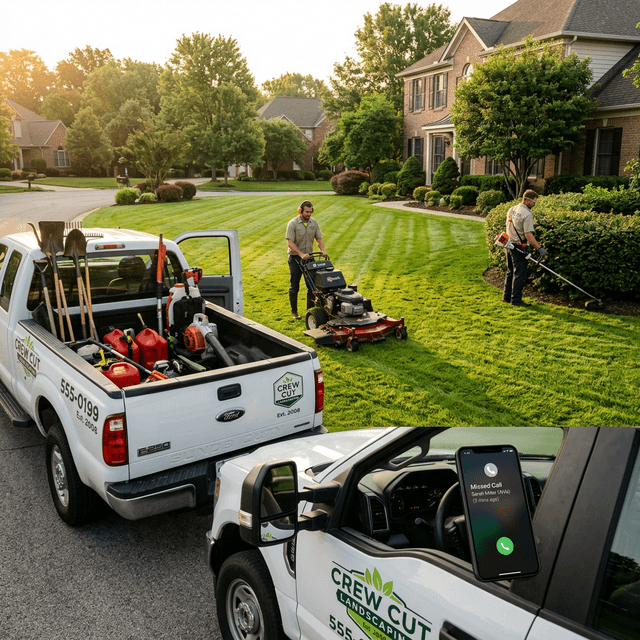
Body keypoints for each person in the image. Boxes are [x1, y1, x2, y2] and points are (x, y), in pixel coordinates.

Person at [503, 189, 548, 307]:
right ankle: (516, 300)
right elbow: (528, 235)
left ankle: (506, 298)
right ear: (526, 200)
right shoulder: (527, 214)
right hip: (518, 247)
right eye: (533, 202)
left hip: (508, 244)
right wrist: (539, 248)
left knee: (510, 272)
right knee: (520, 274)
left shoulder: (512, 209)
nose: (534, 204)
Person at [286, 200, 326, 319]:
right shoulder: (293, 223)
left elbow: (319, 239)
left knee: (312, 286)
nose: (309, 214)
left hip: (309, 258)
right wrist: (300, 254)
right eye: (306, 212)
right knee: (294, 285)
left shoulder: (314, 223)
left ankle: (310, 312)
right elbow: (290, 242)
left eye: (310, 212)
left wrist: (323, 250)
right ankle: (294, 312)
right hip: (295, 258)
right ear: (300, 211)